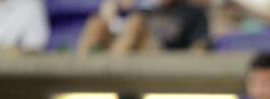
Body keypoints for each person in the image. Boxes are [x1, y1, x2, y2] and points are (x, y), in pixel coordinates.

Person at [78, 0, 209, 55]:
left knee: (136, 22)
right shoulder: (145, 10)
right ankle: (80, 71)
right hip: (129, 55)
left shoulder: (193, 12)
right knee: (96, 24)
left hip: (162, 59)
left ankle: (111, 70)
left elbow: (199, 48)